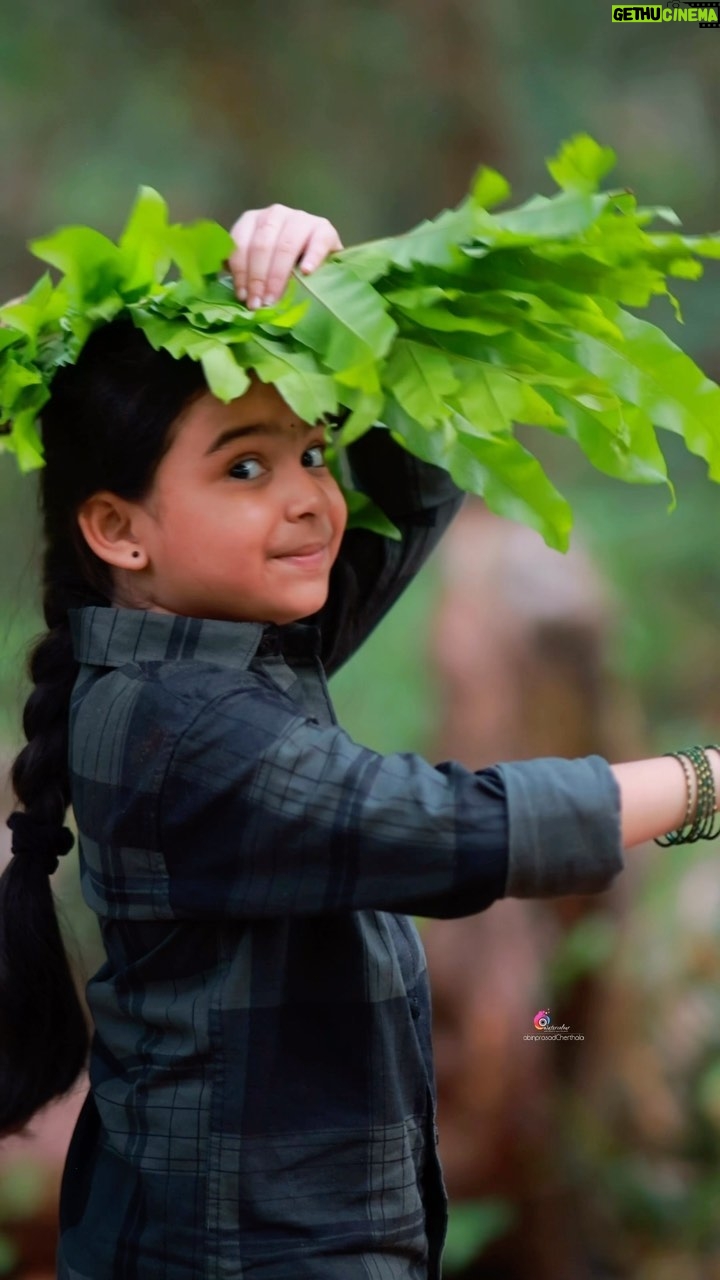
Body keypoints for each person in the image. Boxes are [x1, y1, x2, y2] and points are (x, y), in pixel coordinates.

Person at [0, 202, 717, 1280]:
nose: (310, 500)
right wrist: (704, 782)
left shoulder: (214, 645)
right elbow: (444, 828)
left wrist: (346, 297)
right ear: (118, 528)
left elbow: (414, 481)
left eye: (314, 450)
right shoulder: (185, 729)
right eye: (245, 466)